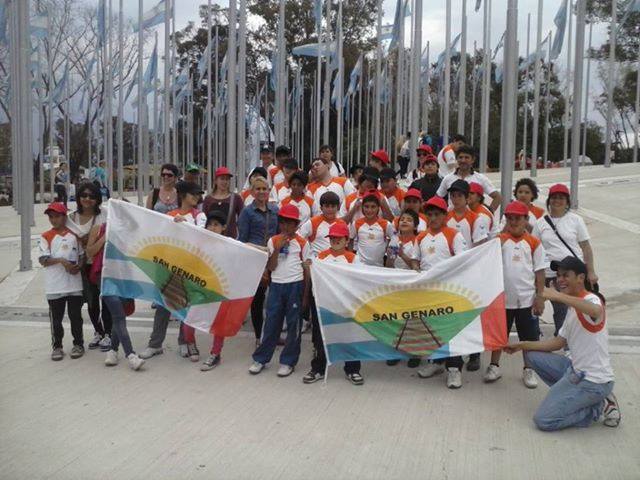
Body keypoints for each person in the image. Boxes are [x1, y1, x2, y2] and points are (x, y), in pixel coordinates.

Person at [504, 256, 620, 430]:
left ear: (581, 278)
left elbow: (595, 310)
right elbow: (557, 343)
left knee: (544, 420)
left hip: (592, 381)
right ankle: (587, 397)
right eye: (558, 276)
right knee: (532, 355)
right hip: (574, 370)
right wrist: (522, 345)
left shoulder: (592, 300)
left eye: (566, 275)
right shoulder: (572, 309)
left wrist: (557, 295)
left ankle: (595, 408)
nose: (560, 280)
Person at [139, 181, 206, 362]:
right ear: (183, 195)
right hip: (169, 268)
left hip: (190, 268)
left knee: (185, 307)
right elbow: (162, 239)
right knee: (162, 307)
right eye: (193, 194)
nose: (197, 197)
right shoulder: (169, 215)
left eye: (198, 194)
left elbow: (199, 236)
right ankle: (155, 345)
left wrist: (184, 226)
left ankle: (184, 342)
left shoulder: (200, 215)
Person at [484, 201, 547, 388]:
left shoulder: (534, 243)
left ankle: (529, 369)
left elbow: (540, 272)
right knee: (499, 335)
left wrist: (540, 296)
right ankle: (494, 365)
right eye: (509, 218)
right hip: (502, 299)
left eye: (517, 218)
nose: (513, 222)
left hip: (526, 300)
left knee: (528, 337)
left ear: (526, 219)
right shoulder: (499, 241)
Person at [249, 204, 310, 377]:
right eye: (283, 222)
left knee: (293, 326)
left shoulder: (302, 243)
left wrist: (305, 296)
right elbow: (271, 267)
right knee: (271, 323)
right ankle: (261, 358)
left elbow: (307, 271)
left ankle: (288, 361)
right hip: (276, 286)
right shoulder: (273, 240)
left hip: (295, 285)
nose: (286, 226)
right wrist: (277, 249)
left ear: (297, 225)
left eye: (290, 223)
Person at [415, 196, 468, 388]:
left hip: (449, 291)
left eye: (437, 214)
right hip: (427, 293)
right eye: (429, 214)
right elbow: (415, 260)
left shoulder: (454, 235)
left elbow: (461, 262)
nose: (433, 218)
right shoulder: (421, 236)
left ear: (445, 215)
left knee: (452, 330)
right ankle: (436, 362)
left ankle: (454, 369)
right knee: (432, 329)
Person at [302, 222, 364, 385]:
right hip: (323, 304)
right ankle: (318, 369)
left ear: (346, 240)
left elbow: (357, 281)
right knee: (320, 337)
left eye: (339, 238)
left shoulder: (353, 258)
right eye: (332, 238)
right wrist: (309, 267)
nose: (335, 240)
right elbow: (315, 278)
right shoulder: (321, 257)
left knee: (349, 337)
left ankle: (352, 369)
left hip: (344, 305)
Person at [533, 184, 598, 335]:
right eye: (554, 198)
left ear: (567, 201)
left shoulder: (576, 220)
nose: (557, 201)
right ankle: (539, 336)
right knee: (536, 305)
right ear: (549, 200)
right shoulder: (540, 223)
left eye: (561, 198)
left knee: (563, 309)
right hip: (548, 274)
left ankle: (564, 341)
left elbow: (586, 247)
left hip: (571, 274)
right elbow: (534, 250)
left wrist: (591, 271)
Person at [86, 220, 145, 371]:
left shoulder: (131, 232)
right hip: (105, 278)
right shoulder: (99, 228)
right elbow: (90, 252)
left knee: (119, 316)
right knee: (119, 317)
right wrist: (106, 235)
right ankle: (131, 355)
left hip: (125, 278)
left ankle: (113, 351)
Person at [66, 182, 111, 351]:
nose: (87, 199)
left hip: (103, 265)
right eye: (84, 195)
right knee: (91, 302)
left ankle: (109, 334)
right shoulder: (70, 218)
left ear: (98, 198)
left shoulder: (106, 214)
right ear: (78, 197)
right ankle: (98, 332)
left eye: (92, 196)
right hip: (83, 267)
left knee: (106, 299)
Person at [39, 202, 85, 361]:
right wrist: (62, 261)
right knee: (56, 319)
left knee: (75, 317)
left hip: (74, 285)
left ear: (64, 217)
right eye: (51, 217)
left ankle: (78, 344)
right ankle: (57, 346)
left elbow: (81, 255)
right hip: (55, 286)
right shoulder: (46, 236)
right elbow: (43, 259)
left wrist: (78, 266)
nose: (54, 220)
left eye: (57, 216)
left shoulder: (74, 235)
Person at [237, 176, 279, 343]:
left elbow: (278, 233)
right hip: (254, 261)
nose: (262, 192)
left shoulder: (275, 210)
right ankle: (258, 336)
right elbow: (241, 241)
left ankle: (271, 335)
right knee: (258, 300)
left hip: (273, 260)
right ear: (252, 191)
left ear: (269, 191)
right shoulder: (247, 212)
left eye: (264, 189)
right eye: (258, 189)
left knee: (274, 301)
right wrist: (259, 249)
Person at [200, 211, 231, 371]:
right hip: (201, 286)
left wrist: (266, 248)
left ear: (224, 227)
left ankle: (215, 353)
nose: (212, 228)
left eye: (216, 225)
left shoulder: (229, 243)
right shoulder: (200, 242)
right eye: (210, 224)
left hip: (221, 288)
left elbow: (246, 249)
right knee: (191, 316)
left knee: (220, 322)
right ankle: (189, 344)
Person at [436, 144, 502, 213]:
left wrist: (488, 214)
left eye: (466, 157)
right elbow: (437, 198)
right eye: (460, 157)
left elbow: (497, 197)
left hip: (474, 222)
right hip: (452, 220)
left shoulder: (480, 178)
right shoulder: (448, 178)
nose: (463, 160)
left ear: (473, 160)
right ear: (456, 159)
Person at [349, 191, 395, 267]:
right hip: (360, 265)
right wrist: (350, 258)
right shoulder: (356, 223)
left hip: (379, 266)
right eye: (366, 206)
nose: (369, 210)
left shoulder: (386, 224)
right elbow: (350, 239)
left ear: (378, 208)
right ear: (362, 207)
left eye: (373, 207)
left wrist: (390, 256)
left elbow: (394, 238)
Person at [202, 166, 243, 238]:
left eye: (227, 179)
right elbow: (204, 220)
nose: (225, 182)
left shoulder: (236, 198)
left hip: (230, 239)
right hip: (211, 238)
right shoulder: (208, 199)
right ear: (215, 181)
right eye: (222, 179)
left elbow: (242, 219)